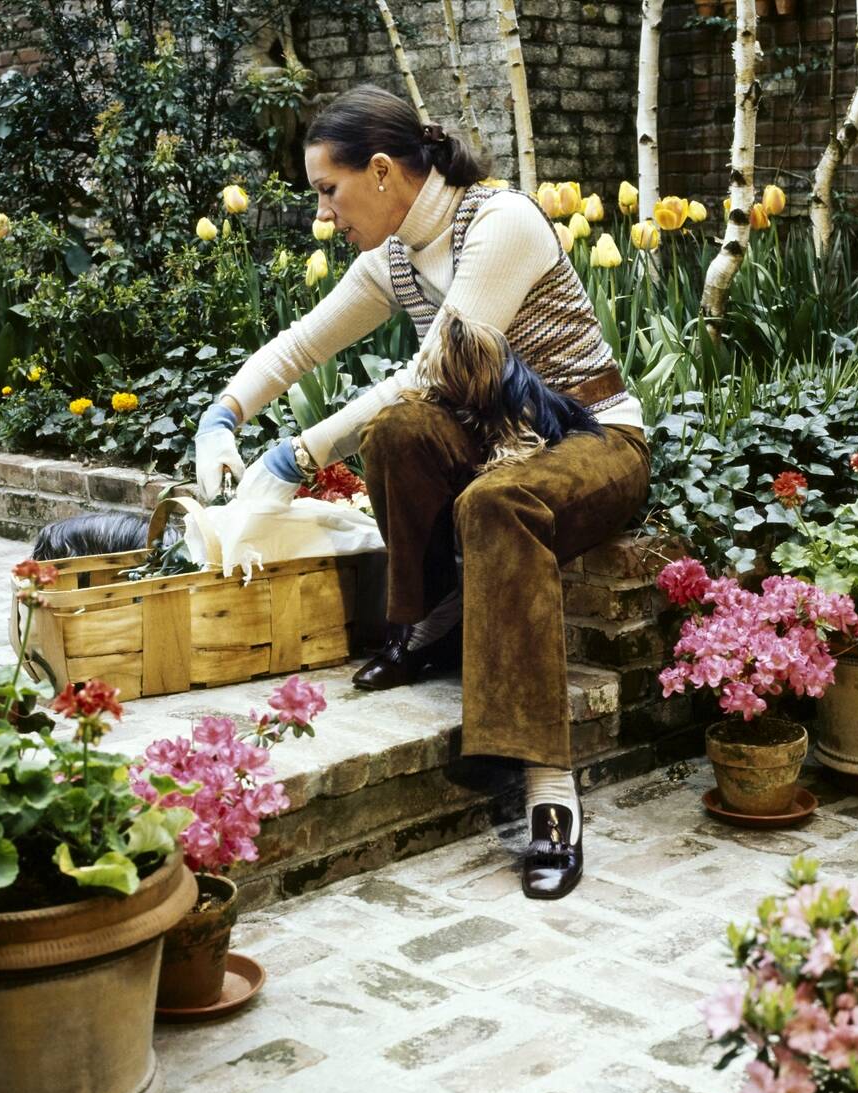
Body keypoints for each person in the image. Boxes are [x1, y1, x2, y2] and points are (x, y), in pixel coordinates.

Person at [194, 84, 649, 900]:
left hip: (591, 439)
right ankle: (430, 625)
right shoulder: (397, 254)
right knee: (399, 433)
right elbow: (301, 344)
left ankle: (547, 787)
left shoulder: (500, 223)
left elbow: (430, 370)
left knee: (492, 500)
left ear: (380, 170)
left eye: (327, 190)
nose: (324, 214)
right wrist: (221, 416)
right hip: (497, 441)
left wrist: (297, 455)